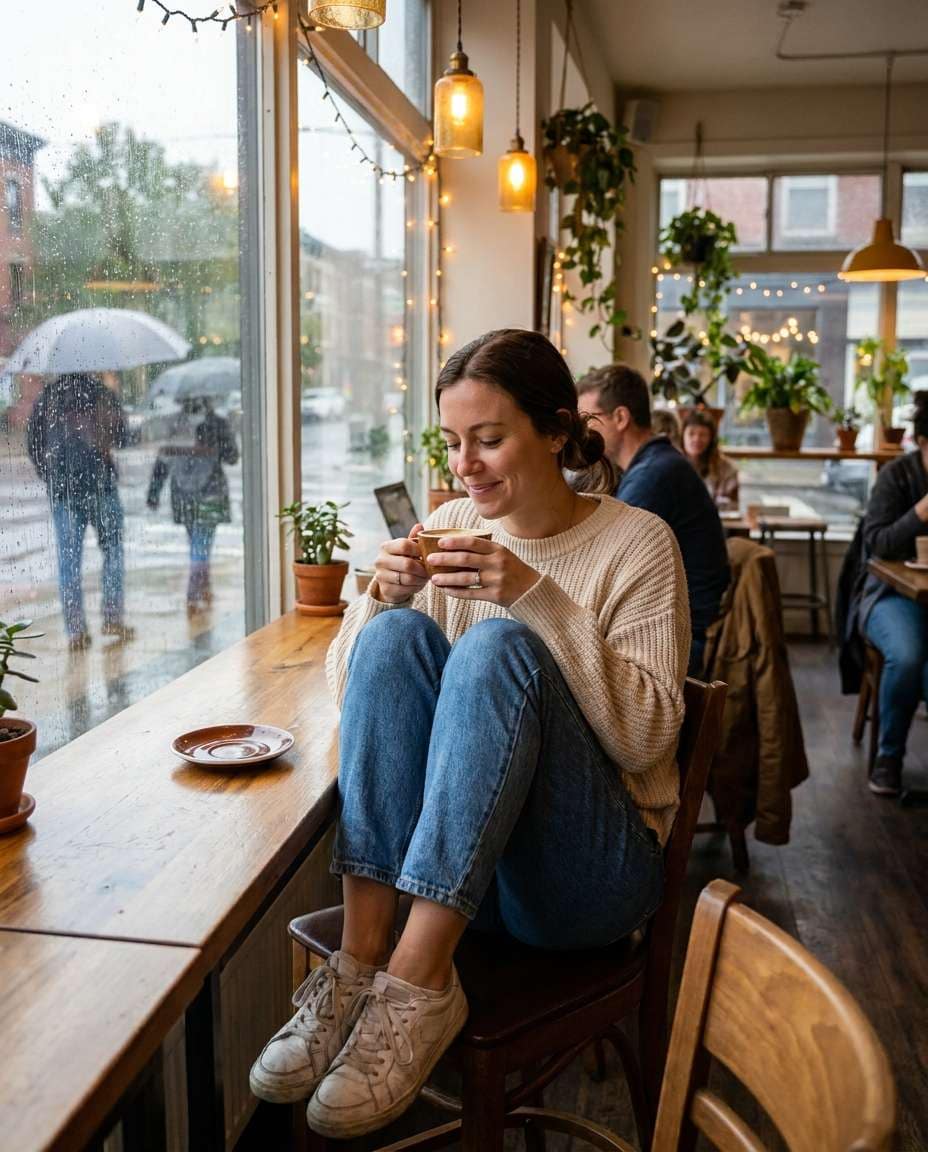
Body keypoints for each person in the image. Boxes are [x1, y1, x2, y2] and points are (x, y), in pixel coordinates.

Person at [249, 329, 689, 1139]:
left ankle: (419, 984)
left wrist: (534, 595)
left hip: (590, 881)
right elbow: (356, 699)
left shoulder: (639, 543)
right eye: (454, 443)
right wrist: (380, 597)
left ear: (558, 430)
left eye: (489, 440)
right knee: (393, 637)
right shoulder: (452, 523)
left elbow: (646, 740)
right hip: (467, 877)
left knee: (493, 646)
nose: (465, 465)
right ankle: (364, 959)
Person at [577, 363, 730, 677]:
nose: (584, 434)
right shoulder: (657, 464)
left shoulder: (653, 476)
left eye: (590, 421)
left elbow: (608, 564)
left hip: (681, 644)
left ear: (620, 418)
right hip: (682, 627)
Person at [26, 372, 133, 651]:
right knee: (113, 550)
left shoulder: (48, 398)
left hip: (64, 490)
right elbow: (123, 436)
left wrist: (49, 474)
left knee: (69, 562)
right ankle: (112, 616)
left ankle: (76, 631)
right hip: (101, 485)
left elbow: (33, 443)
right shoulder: (100, 393)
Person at [857, 391, 928, 796]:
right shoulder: (896, 477)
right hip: (889, 594)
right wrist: (920, 513)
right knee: (908, 654)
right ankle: (889, 759)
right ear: (922, 444)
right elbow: (878, 543)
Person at [146, 396, 239, 614]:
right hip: (211, 492)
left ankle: (202, 588)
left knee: (197, 545)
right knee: (201, 546)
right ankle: (194, 593)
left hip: (182, 493)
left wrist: (154, 492)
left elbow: (163, 460)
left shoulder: (176, 424)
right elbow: (232, 457)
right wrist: (221, 438)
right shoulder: (218, 423)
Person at [681, 408, 740, 509]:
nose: (696, 439)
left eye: (703, 434)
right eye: (691, 433)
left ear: (711, 438)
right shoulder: (672, 465)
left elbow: (733, 507)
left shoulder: (727, 469)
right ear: (682, 436)